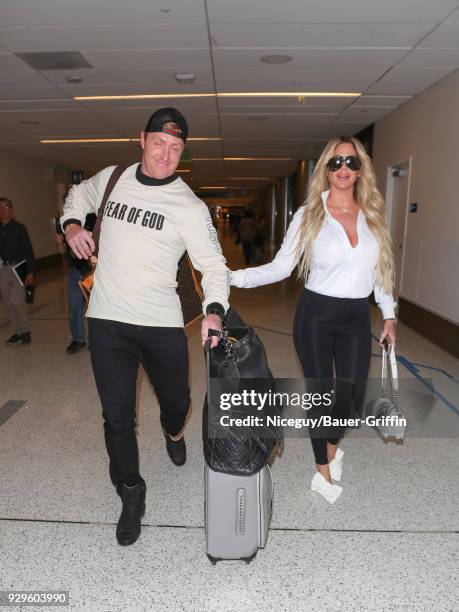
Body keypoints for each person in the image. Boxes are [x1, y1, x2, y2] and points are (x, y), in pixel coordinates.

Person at [61, 107, 229, 545]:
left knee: (178, 401)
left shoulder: (189, 206)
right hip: (107, 321)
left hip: (160, 322)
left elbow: (213, 265)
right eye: (159, 143)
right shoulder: (114, 178)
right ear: (142, 139)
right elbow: (77, 196)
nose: (166, 154)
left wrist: (215, 309)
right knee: (116, 416)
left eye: (176, 148)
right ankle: (131, 491)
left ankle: (173, 430)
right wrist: (74, 224)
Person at [231, 136, 397, 504]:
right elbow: (281, 267)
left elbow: (381, 271)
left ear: (360, 170)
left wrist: (388, 315)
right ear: (326, 168)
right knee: (321, 393)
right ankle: (321, 472)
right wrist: (234, 277)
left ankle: (332, 447)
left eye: (351, 163)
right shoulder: (308, 214)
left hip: (356, 316)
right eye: (336, 162)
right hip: (316, 315)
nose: (343, 169)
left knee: (352, 398)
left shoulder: (371, 215)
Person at [55, 210, 96, 354]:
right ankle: (78, 339)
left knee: (95, 308)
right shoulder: (66, 223)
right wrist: (60, 244)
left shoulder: (94, 217)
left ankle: (95, 340)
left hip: (92, 271)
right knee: (74, 308)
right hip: (74, 270)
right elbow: (63, 250)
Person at [0, 197, 35, 345]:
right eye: (0, 207)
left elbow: (28, 251)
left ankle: (25, 332)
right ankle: (17, 332)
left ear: (11, 209)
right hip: (3, 269)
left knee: (17, 301)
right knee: (8, 302)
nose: (3, 210)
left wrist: (30, 272)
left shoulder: (20, 228)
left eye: (6, 207)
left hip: (19, 269)